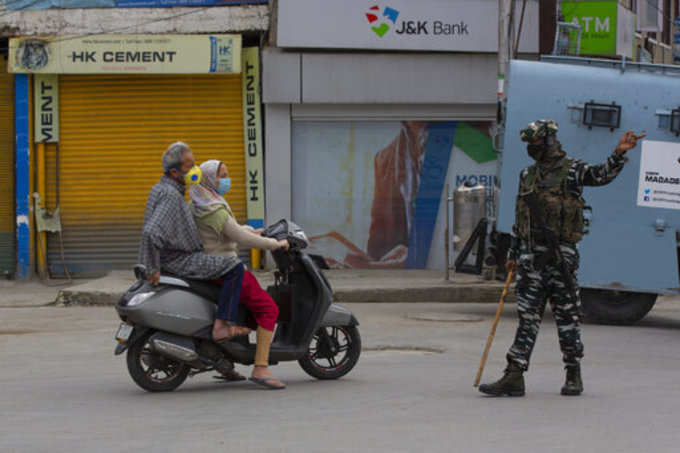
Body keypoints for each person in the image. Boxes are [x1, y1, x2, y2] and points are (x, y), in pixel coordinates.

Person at [478, 120, 646, 397]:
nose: (530, 149)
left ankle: (573, 372)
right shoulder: (527, 174)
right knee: (527, 317)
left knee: (566, 316)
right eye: (528, 145)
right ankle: (514, 375)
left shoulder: (572, 171)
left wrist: (618, 153)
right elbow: (522, 217)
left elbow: (599, 175)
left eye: (534, 144)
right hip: (531, 258)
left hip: (561, 258)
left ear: (548, 143)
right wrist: (513, 253)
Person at [190, 159, 289, 390]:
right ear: (209, 179)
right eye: (221, 175)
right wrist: (274, 244)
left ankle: (225, 359)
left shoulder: (202, 200)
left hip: (213, 264)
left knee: (249, 309)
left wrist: (253, 230)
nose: (226, 179)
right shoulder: (212, 208)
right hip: (225, 266)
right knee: (269, 309)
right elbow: (239, 238)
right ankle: (261, 368)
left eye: (226, 173)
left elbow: (228, 231)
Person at [139, 142, 250, 343]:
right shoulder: (171, 196)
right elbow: (150, 232)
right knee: (235, 267)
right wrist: (152, 267)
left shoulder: (162, 188)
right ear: (174, 172)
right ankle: (222, 326)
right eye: (189, 166)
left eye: (194, 163)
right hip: (179, 259)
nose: (195, 169)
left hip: (176, 256)